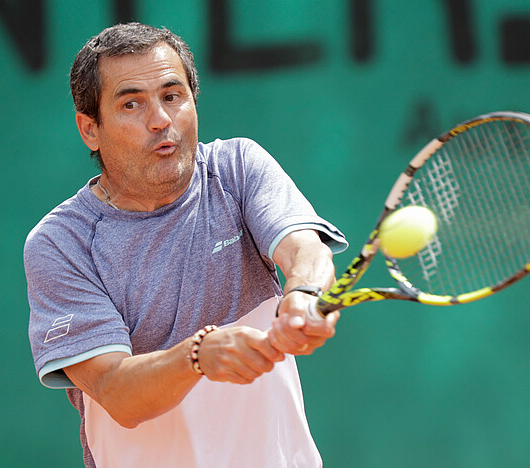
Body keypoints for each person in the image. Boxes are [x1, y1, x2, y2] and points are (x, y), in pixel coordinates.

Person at [25, 22, 348, 467]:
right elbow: (116, 392)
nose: (160, 119)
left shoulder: (236, 168)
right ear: (90, 129)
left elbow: (303, 249)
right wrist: (198, 355)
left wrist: (304, 295)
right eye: (131, 103)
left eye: (172, 96)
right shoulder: (62, 243)